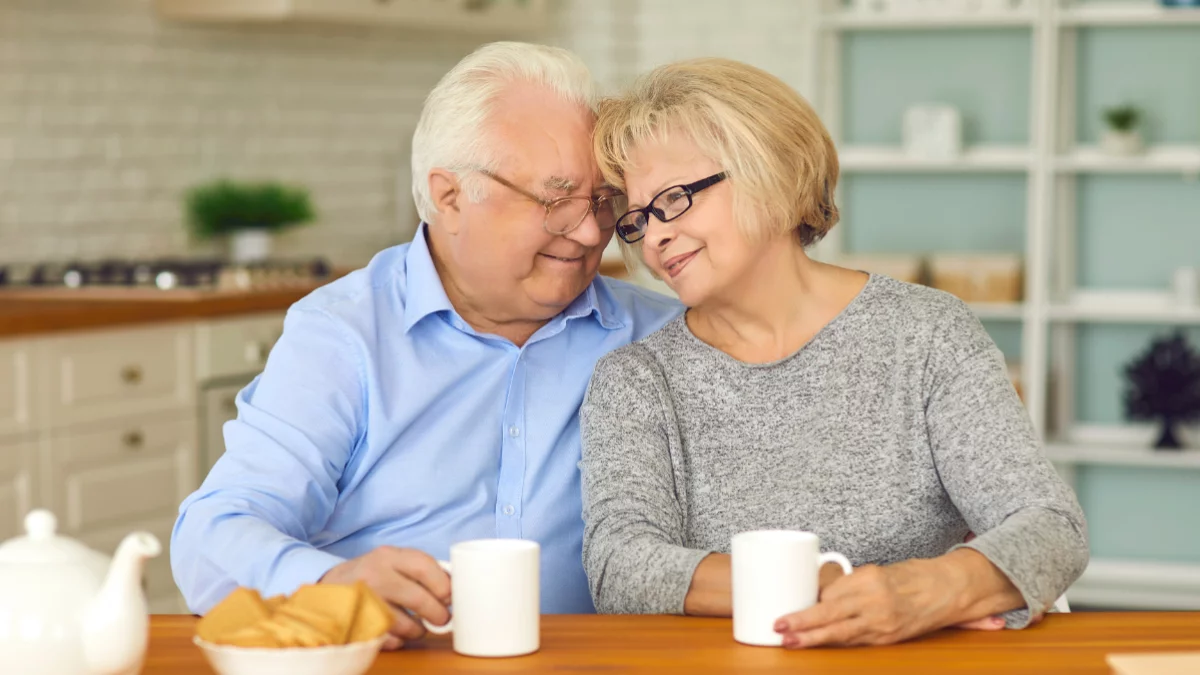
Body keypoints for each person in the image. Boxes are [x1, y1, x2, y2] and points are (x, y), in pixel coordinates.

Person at [171, 42, 679, 649]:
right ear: (449, 197)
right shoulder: (345, 334)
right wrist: (332, 582)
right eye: (557, 200)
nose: (592, 231)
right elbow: (213, 535)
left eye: (603, 201)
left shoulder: (660, 334)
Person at [579, 58, 1088, 648]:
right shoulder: (637, 380)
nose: (655, 236)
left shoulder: (926, 335)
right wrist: (816, 585)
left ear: (772, 173)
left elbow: (1051, 528)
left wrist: (926, 592)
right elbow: (620, 567)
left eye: (673, 198)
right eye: (637, 220)